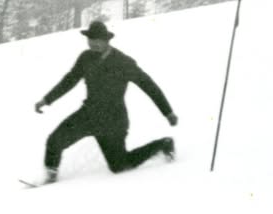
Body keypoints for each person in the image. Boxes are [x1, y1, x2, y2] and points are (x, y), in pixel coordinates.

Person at [34, 21, 178, 184]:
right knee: (54, 141)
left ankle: (163, 144)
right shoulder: (85, 58)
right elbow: (69, 80)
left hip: (113, 121)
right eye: (90, 39)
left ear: (107, 40)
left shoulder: (123, 62)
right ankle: (50, 178)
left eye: (98, 40)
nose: (93, 43)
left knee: (119, 166)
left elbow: (149, 86)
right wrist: (47, 99)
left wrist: (168, 112)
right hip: (88, 115)